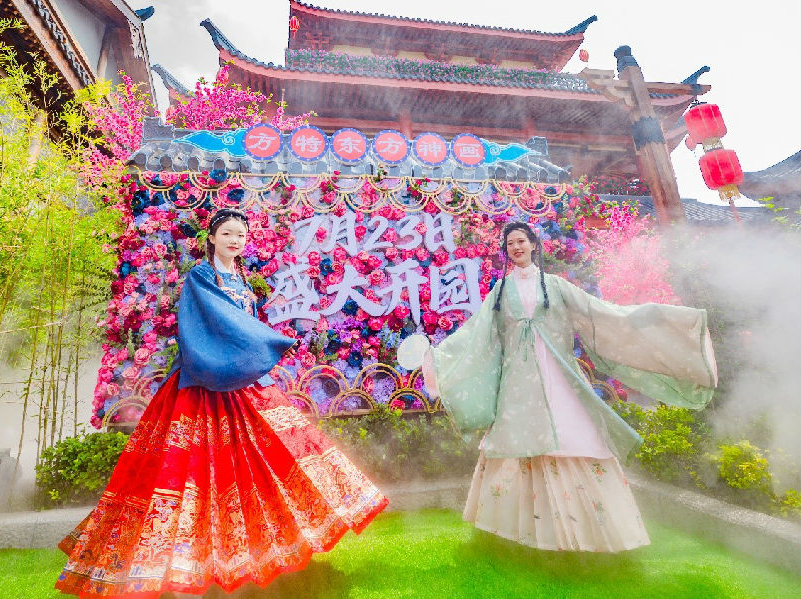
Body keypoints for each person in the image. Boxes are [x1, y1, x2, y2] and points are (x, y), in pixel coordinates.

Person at [56, 208, 388, 598]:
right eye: (227, 234)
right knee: (191, 473)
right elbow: (217, 323)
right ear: (211, 238)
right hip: (202, 384)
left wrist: (258, 347)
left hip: (244, 385)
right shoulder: (201, 276)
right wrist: (270, 341)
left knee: (269, 460)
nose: (235, 241)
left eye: (241, 235)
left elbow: (245, 329)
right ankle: (184, 562)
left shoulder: (243, 282)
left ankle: (263, 553)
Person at [421, 221, 717, 552]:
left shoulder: (556, 286)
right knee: (518, 442)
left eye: (521, 241)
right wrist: (439, 358)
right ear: (506, 251)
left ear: (534, 245)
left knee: (572, 437)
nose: (516, 247)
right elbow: (477, 334)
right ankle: (520, 532)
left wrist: (650, 317)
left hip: (559, 376)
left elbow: (599, 313)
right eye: (510, 244)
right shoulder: (500, 292)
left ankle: (588, 533)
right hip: (518, 385)